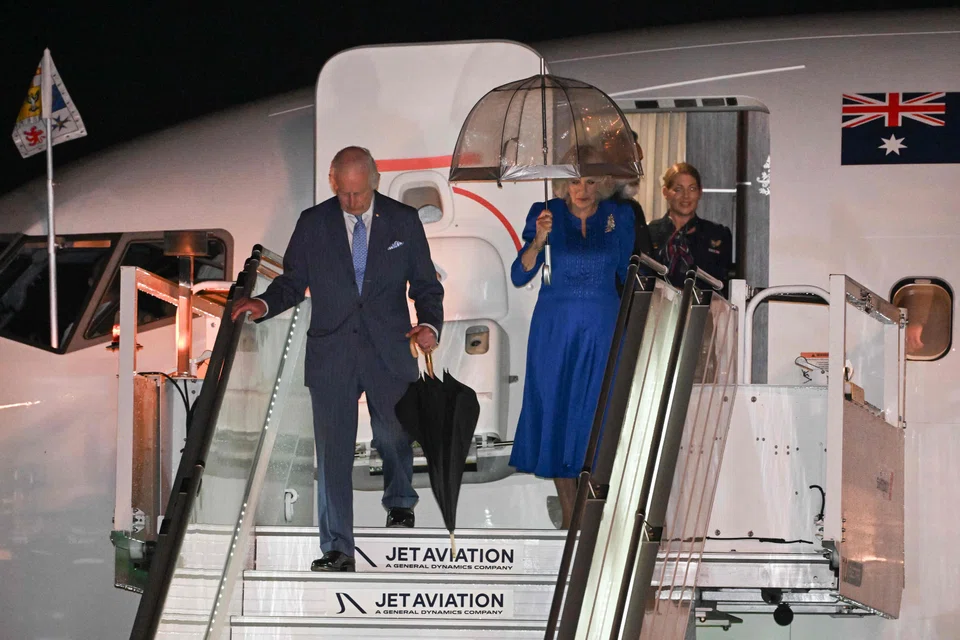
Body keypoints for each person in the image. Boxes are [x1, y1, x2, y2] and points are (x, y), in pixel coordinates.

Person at [231, 146, 443, 572]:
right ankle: (337, 548)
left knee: (394, 433)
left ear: (374, 181)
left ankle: (400, 500)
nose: (351, 201)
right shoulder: (313, 223)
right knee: (332, 454)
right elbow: (292, 283)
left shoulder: (403, 221)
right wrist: (263, 304)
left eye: (359, 193)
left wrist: (429, 325)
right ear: (333, 183)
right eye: (344, 193)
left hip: (389, 348)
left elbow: (425, 284)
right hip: (332, 353)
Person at [509, 146, 635, 530]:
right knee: (558, 415)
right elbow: (520, 274)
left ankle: (595, 516)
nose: (582, 190)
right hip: (555, 331)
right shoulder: (544, 212)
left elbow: (629, 273)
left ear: (604, 183)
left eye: (591, 182)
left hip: (604, 329)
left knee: (598, 417)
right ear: (563, 183)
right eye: (575, 181)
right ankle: (570, 518)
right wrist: (538, 240)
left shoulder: (619, 216)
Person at [648, 162, 732, 291]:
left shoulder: (718, 234)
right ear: (665, 192)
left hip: (703, 304)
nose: (686, 196)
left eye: (692, 189)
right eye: (678, 189)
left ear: (700, 192)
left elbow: (724, 286)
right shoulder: (649, 232)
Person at [610, 130, 653, 260]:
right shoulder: (591, 206)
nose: (638, 170)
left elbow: (645, 259)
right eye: (629, 161)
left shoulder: (633, 207)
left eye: (639, 162)